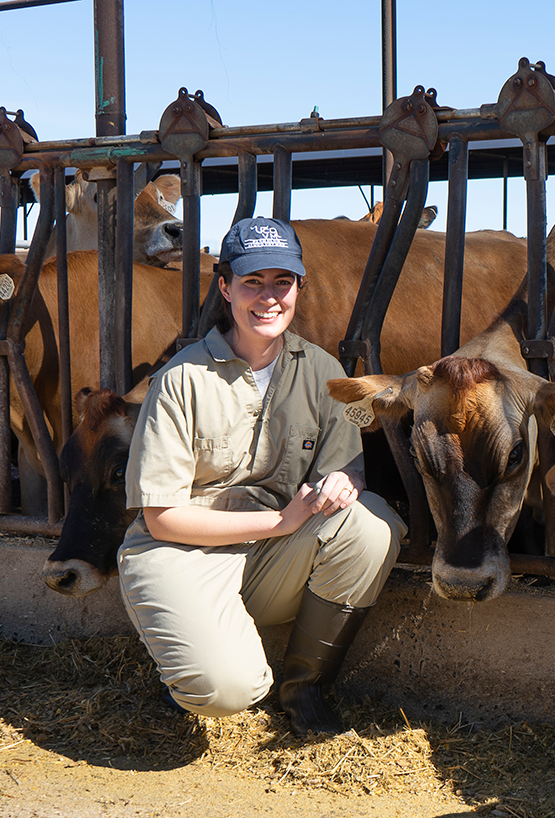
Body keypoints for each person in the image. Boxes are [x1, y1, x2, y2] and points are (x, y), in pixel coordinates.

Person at [117, 216, 406, 734]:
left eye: (282, 281)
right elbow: (161, 519)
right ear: (225, 287)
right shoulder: (181, 379)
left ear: (299, 288)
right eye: (252, 281)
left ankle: (306, 689)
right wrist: (280, 523)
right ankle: (195, 662)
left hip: (271, 556)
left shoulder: (323, 371)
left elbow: (344, 467)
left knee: (371, 524)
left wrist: (346, 484)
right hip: (184, 554)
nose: (268, 297)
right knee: (228, 689)